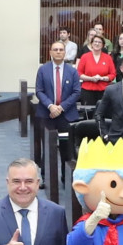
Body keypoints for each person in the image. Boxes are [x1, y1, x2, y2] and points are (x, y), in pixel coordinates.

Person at [33, 41, 81, 182]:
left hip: (66, 116)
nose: (58, 52)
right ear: (50, 52)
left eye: (61, 49)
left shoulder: (72, 71)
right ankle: (44, 178)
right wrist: (51, 106)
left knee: (66, 148)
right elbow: (39, 91)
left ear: (65, 53)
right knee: (47, 148)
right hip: (47, 115)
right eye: (55, 49)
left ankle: (65, 178)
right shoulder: (43, 70)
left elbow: (77, 92)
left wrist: (61, 107)